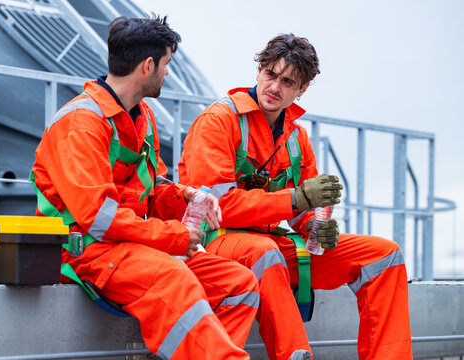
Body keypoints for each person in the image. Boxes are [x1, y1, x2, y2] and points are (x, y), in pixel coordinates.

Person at [31, 16, 261, 360]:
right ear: (148, 65)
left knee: (239, 284)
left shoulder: (142, 117)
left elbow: (150, 193)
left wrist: (186, 197)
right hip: (87, 250)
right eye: (166, 64)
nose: (168, 73)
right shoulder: (80, 124)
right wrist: (175, 238)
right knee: (173, 275)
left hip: (131, 244)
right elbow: (97, 218)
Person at [179, 33, 413, 360]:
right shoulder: (218, 121)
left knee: (384, 255)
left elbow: (304, 209)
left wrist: (317, 227)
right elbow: (218, 209)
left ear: (301, 90)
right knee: (265, 252)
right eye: (270, 75)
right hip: (214, 241)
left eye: (287, 82)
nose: (275, 87)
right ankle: (296, 354)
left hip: (271, 246)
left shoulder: (296, 137)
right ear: (259, 70)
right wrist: (295, 200)